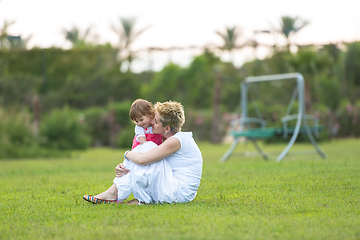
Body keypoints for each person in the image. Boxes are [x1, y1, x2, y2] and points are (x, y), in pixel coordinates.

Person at [83, 100, 203, 205]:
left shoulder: (176, 141)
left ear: (166, 128)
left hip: (179, 193)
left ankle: (114, 193)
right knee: (146, 148)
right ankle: (129, 196)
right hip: (174, 187)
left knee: (147, 146)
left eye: (155, 121)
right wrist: (125, 165)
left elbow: (142, 160)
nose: (151, 123)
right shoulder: (175, 138)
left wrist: (127, 155)